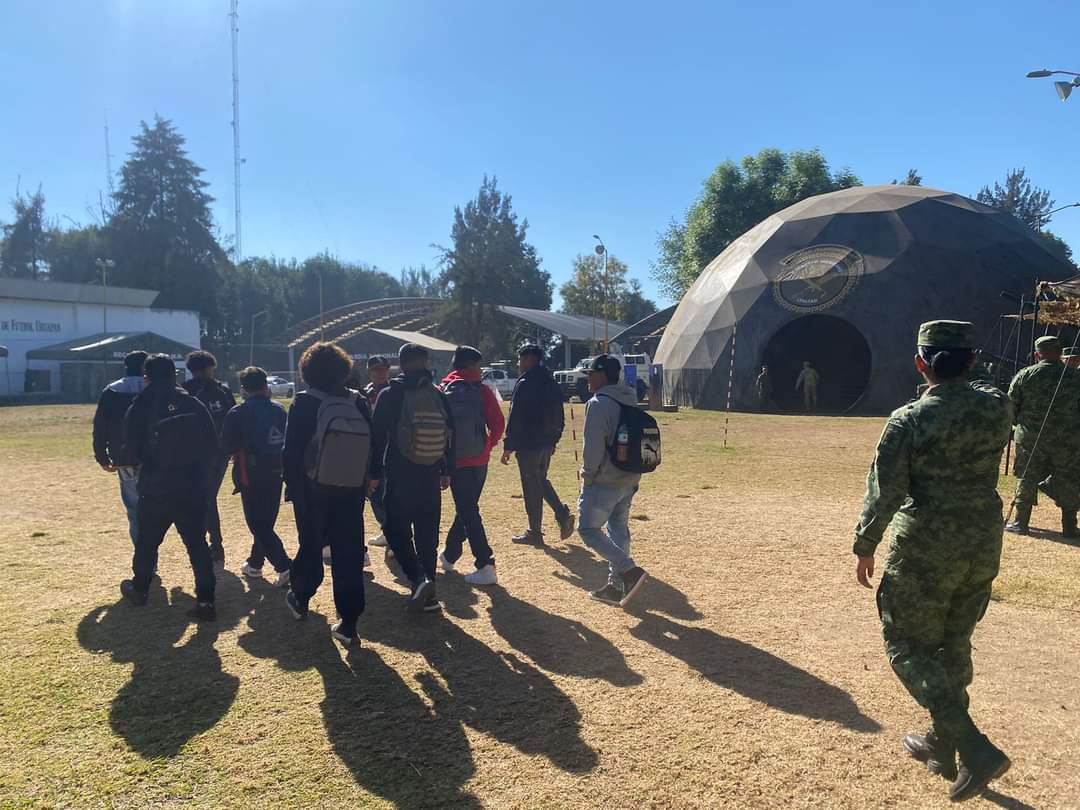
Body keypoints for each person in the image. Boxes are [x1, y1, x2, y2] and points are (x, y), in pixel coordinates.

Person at [853, 321, 1013, 802]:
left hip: (925, 546)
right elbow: (985, 384)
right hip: (981, 543)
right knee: (952, 640)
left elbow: (887, 491)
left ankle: (973, 747)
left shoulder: (909, 419)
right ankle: (942, 745)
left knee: (906, 643)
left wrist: (865, 542)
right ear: (971, 361)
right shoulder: (996, 407)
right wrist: (965, 362)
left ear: (920, 363)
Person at [282, 342, 372, 647]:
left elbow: (291, 451)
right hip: (351, 488)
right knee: (348, 553)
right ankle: (349, 623)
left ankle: (301, 596)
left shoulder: (304, 403)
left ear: (307, 370)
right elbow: (372, 443)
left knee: (310, 544)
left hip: (313, 488)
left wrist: (293, 486)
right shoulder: (357, 401)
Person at [119, 354, 220, 621]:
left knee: (147, 543)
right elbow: (212, 444)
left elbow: (130, 450)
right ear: (175, 374)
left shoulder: (140, 405)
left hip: (156, 487)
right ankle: (206, 601)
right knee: (197, 545)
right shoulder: (192, 403)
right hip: (192, 486)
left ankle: (140, 589)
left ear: (146, 376)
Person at [370, 343, 454, 613]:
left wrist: (373, 474)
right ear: (427, 363)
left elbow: (377, 437)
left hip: (399, 472)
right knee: (427, 536)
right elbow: (451, 434)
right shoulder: (438, 394)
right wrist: (445, 470)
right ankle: (429, 596)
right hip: (430, 474)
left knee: (395, 529)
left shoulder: (390, 394)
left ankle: (419, 579)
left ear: (401, 365)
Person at [576, 354, 648, 606]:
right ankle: (617, 586)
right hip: (630, 476)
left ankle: (628, 570)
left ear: (602, 375)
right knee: (618, 528)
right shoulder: (630, 400)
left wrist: (587, 475)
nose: (587, 378)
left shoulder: (598, 403)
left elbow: (593, 448)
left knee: (587, 528)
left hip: (605, 478)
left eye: (591, 373)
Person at [438, 345, 505, 585]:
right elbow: (498, 424)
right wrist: (488, 445)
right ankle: (459, 556)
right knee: (468, 508)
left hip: (455, 460)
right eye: (477, 365)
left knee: (467, 509)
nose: (480, 369)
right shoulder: (482, 391)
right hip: (479, 459)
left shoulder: (442, 390)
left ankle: (481, 561)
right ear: (470, 365)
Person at [221, 367, 292, 587]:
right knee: (266, 520)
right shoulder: (280, 410)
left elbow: (227, 445)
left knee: (258, 524)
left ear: (243, 389)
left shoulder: (238, 412)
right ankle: (255, 563)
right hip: (276, 471)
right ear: (266, 386)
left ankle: (285, 565)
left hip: (249, 473)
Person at [1005, 335, 1080, 537]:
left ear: (1038, 354)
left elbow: (1011, 405)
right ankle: (1070, 526)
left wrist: (1018, 424)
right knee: (1068, 478)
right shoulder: (1075, 376)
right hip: (1068, 439)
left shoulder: (1025, 375)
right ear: (1059, 353)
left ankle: (1021, 522)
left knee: (1027, 476)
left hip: (1031, 437)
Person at [500, 343, 574, 544]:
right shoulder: (550, 382)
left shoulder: (526, 383)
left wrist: (508, 444)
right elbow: (560, 414)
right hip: (545, 443)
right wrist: (554, 439)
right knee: (539, 480)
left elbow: (516, 416)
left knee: (531, 485)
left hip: (529, 443)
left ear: (529, 359)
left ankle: (536, 531)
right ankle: (561, 515)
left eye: (520, 359)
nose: (519, 363)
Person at [182, 351, 236, 567]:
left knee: (204, 496)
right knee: (208, 496)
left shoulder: (186, 390)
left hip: (196, 452)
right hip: (220, 451)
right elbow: (233, 416)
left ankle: (212, 544)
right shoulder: (222, 389)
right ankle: (214, 544)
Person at [92, 350, 148, 544]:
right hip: (154, 456)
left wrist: (102, 456)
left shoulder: (111, 391)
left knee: (134, 508)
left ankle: (144, 557)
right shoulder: (155, 388)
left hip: (124, 457)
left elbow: (100, 426)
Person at [362, 355, 392, 551]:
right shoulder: (363, 394)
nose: (380, 373)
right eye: (376, 369)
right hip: (370, 452)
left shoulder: (395, 392)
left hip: (392, 451)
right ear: (369, 371)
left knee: (389, 496)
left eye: (383, 369)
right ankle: (388, 532)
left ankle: (395, 536)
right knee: (374, 495)